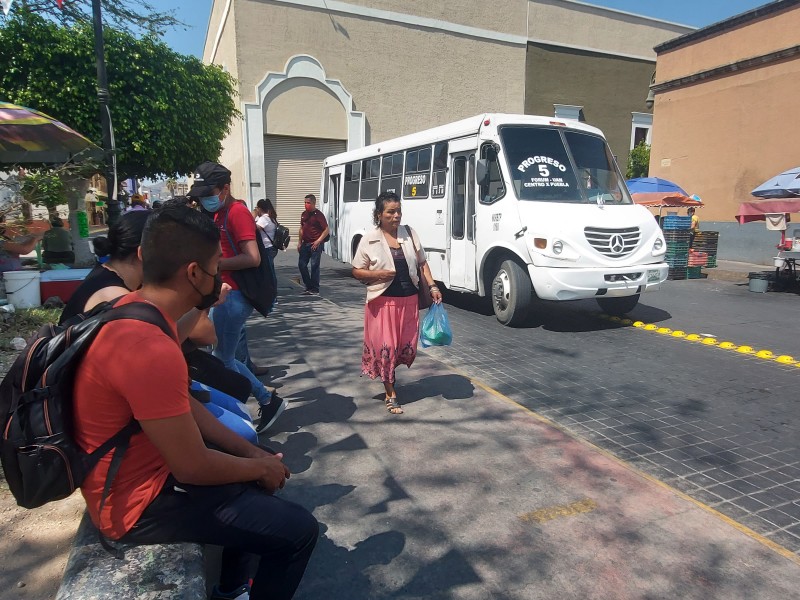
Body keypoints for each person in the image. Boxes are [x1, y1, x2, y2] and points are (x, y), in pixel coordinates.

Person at [73, 202, 318, 600]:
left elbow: (187, 408)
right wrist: (256, 469)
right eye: (217, 264)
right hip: (134, 506)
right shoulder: (148, 346)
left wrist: (251, 454)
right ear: (194, 273)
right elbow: (192, 467)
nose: (221, 273)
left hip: (145, 475)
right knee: (298, 531)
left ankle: (233, 588)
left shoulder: (132, 311)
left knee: (257, 460)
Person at [60, 209, 256, 441]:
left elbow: (174, 337)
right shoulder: (119, 302)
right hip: (117, 430)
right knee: (244, 432)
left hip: (141, 397)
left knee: (237, 404)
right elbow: (191, 462)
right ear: (145, 254)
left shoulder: (123, 289)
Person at [189, 161, 286, 433]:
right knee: (227, 356)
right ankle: (256, 402)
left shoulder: (237, 213)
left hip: (235, 296)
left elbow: (252, 258)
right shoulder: (219, 213)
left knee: (224, 359)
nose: (205, 199)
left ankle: (267, 401)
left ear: (225, 189)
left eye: (209, 192)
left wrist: (214, 265)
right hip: (225, 295)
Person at [351, 192, 442, 415]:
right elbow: (356, 270)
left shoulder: (409, 234)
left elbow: (422, 264)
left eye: (399, 211)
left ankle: (390, 375)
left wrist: (433, 286)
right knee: (387, 349)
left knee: (405, 348)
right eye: (391, 212)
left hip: (408, 301)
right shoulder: (369, 239)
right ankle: (390, 392)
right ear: (379, 215)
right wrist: (378, 274)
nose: (396, 215)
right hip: (382, 303)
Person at [297, 194, 328, 295]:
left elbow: (326, 230)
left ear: (314, 203)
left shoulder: (318, 215)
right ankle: (308, 286)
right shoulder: (304, 214)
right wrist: (299, 242)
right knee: (302, 265)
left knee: (314, 265)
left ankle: (314, 288)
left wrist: (318, 241)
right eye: (305, 202)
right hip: (305, 244)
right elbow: (301, 229)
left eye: (308, 203)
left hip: (315, 244)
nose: (306, 205)